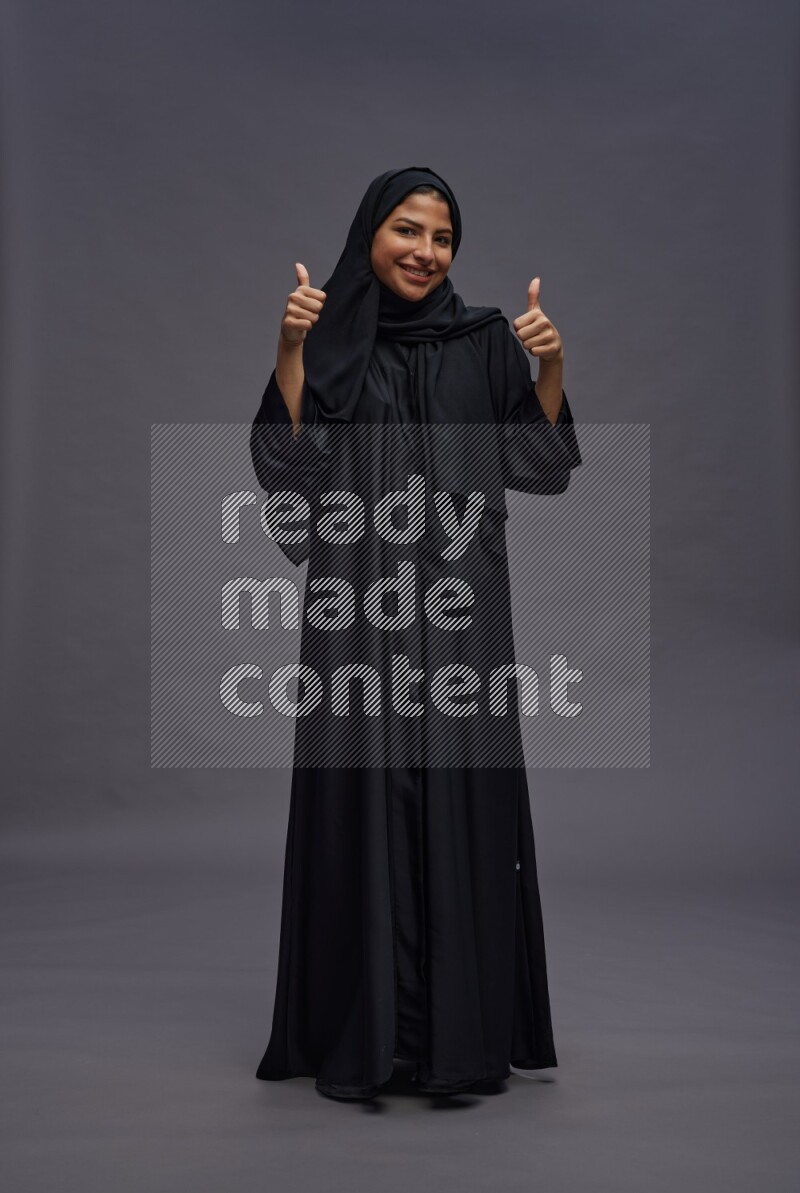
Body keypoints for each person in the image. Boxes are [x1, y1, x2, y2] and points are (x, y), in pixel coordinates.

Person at [249, 166, 581, 1100]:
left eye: (441, 238)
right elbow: (291, 477)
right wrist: (289, 352)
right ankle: (366, 1030)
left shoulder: (483, 344)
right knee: (363, 806)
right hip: (355, 618)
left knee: (459, 804)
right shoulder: (330, 344)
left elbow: (540, 463)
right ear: (370, 234)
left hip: (462, 622)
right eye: (407, 230)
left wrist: (550, 368)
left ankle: (456, 1040)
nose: (425, 252)